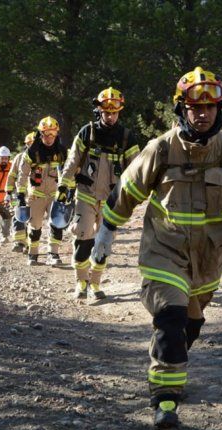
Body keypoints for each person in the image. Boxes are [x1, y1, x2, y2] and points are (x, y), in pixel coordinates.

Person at [92, 67, 222, 428]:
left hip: (207, 257)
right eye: (193, 107)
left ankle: (172, 358)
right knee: (170, 319)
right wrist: (106, 229)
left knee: (190, 324)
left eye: (210, 107)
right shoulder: (161, 148)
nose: (202, 114)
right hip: (163, 251)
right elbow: (127, 189)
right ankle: (165, 400)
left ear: (220, 109)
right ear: (181, 109)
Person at [58, 86, 141, 300]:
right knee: (83, 236)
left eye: (115, 112)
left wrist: (135, 195)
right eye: (107, 112)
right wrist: (63, 186)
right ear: (99, 111)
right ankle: (81, 281)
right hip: (85, 195)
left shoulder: (126, 138)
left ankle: (95, 283)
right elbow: (72, 161)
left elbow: (137, 169)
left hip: (111, 201)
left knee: (103, 244)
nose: (111, 116)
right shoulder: (87, 132)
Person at [16, 117, 68, 265]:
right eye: (46, 133)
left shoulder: (62, 151)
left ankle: (54, 254)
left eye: (53, 133)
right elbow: (23, 173)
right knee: (35, 226)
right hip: (36, 195)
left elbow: (68, 172)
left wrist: (68, 190)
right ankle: (33, 254)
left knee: (57, 224)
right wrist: (20, 194)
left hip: (54, 194)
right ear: (41, 133)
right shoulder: (32, 152)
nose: (50, 137)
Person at [6, 134, 32, 253]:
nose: (31, 145)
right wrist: (8, 192)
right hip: (17, 193)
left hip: (34, 194)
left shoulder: (41, 158)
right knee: (17, 216)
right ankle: (19, 243)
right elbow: (11, 175)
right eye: (29, 143)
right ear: (26, 144)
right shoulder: (19, 157)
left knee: (31, 219)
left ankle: (30, 244)